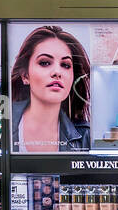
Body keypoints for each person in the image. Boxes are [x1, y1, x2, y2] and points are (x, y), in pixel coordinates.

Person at [11, 25, 91, 153]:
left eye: (65, 65)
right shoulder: (2, 124)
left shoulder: (85, 136)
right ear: (25, 75)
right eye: (45, 63)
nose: (57, 72)